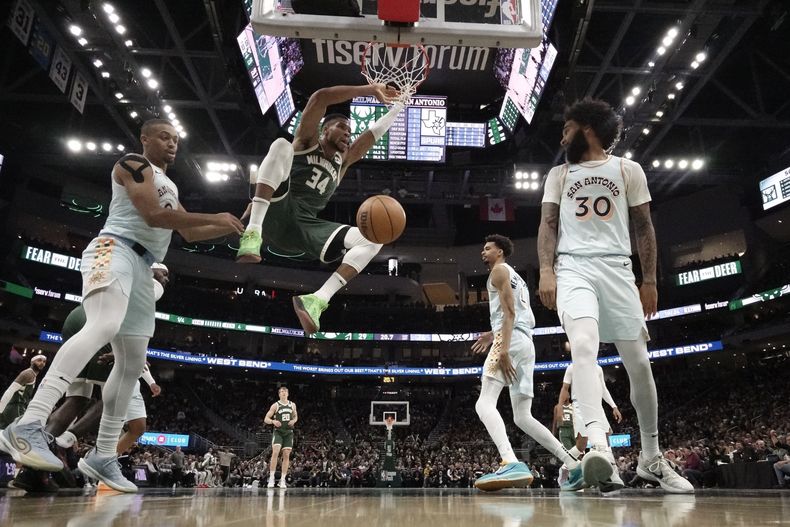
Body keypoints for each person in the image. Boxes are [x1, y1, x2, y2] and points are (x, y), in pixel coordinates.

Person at [0, 119, 244, 493]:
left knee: (131, 363)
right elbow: (153, 216)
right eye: (165, 137)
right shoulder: (133, 163)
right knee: (103, 325)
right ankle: (29, 423)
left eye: (176, 139)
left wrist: (234, 224)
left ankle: (103, 454)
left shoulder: (170, 185)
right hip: (114, 249)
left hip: (144, 268)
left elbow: (190, 231)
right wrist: (217, 216)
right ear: (145, 139)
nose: (173, 144)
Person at [537, 98, 693, 493]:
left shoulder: (627, 169)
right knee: (583, 345)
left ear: (587, 129)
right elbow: (548, 224)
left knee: (639, 364)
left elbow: (644, 226)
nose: (562, 138)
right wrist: (546, 270)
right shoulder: (559, 174)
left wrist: (650, 280)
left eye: (567, 129)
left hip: (619, 269)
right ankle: (600, 449)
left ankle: (651, 458)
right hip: (573, 268)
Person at [236, 83, 403, 334]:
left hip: (305, 228)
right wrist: (370, 89)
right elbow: (320, 96)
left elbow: (374, 133)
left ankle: (317, 300)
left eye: (350, 131)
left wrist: (398, 107)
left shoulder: (343, 162)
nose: (348, 134)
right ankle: (253, 232)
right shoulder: (306, 141)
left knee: (373, 240)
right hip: (278, 207)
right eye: (342, 127)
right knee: (281, 144)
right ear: (325, 130)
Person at [470, 235, 583, 492]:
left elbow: (510, 313)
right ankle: (572, 463)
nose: (483, 252)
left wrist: (503, 348)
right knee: (522, 416)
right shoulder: (516, 276)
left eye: (487, 248)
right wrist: (492, 334)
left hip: (509, 341)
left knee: (484, 403)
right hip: (526, 343)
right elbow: (515, 314)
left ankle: (509, 460)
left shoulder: (498, 271)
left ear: (500, 252)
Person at [264, 386, 298, 488]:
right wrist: (273, 421)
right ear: (279, 394)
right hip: (278, 432)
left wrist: (294, 420)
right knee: (275, 452)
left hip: (288, 432)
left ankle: (282, 480)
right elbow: (266, 419)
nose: (284, 393)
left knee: (286, 455)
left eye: (285, 391)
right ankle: (271, 478)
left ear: (288, 394)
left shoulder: (292, 405)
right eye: (282, 391)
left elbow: (296, 416)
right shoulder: (275, 405)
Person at [0, 355, 47, 429]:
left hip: (12, 408)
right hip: (15, 408)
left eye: (44, 361)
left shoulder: (33, 375)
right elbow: (10, 390)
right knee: (24, 430)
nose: (42, 363)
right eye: (39, 360)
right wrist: (0, 408)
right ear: (32, 362)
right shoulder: (28, 373)